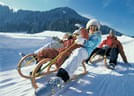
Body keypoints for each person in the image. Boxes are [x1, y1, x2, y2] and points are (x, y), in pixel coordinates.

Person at [35, 19, 102, 95]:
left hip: (86, 51)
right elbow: (72, 39)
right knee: (49, 50)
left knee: (79, 51)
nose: (92, 29)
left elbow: (91, 44)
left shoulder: (97, 36)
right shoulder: (86, 34)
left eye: (94, 28)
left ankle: (60, 78)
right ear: (88, 27)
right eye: (91, 27)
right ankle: (36, 61)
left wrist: (83, 40)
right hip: (71, 50)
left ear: (97, 29)